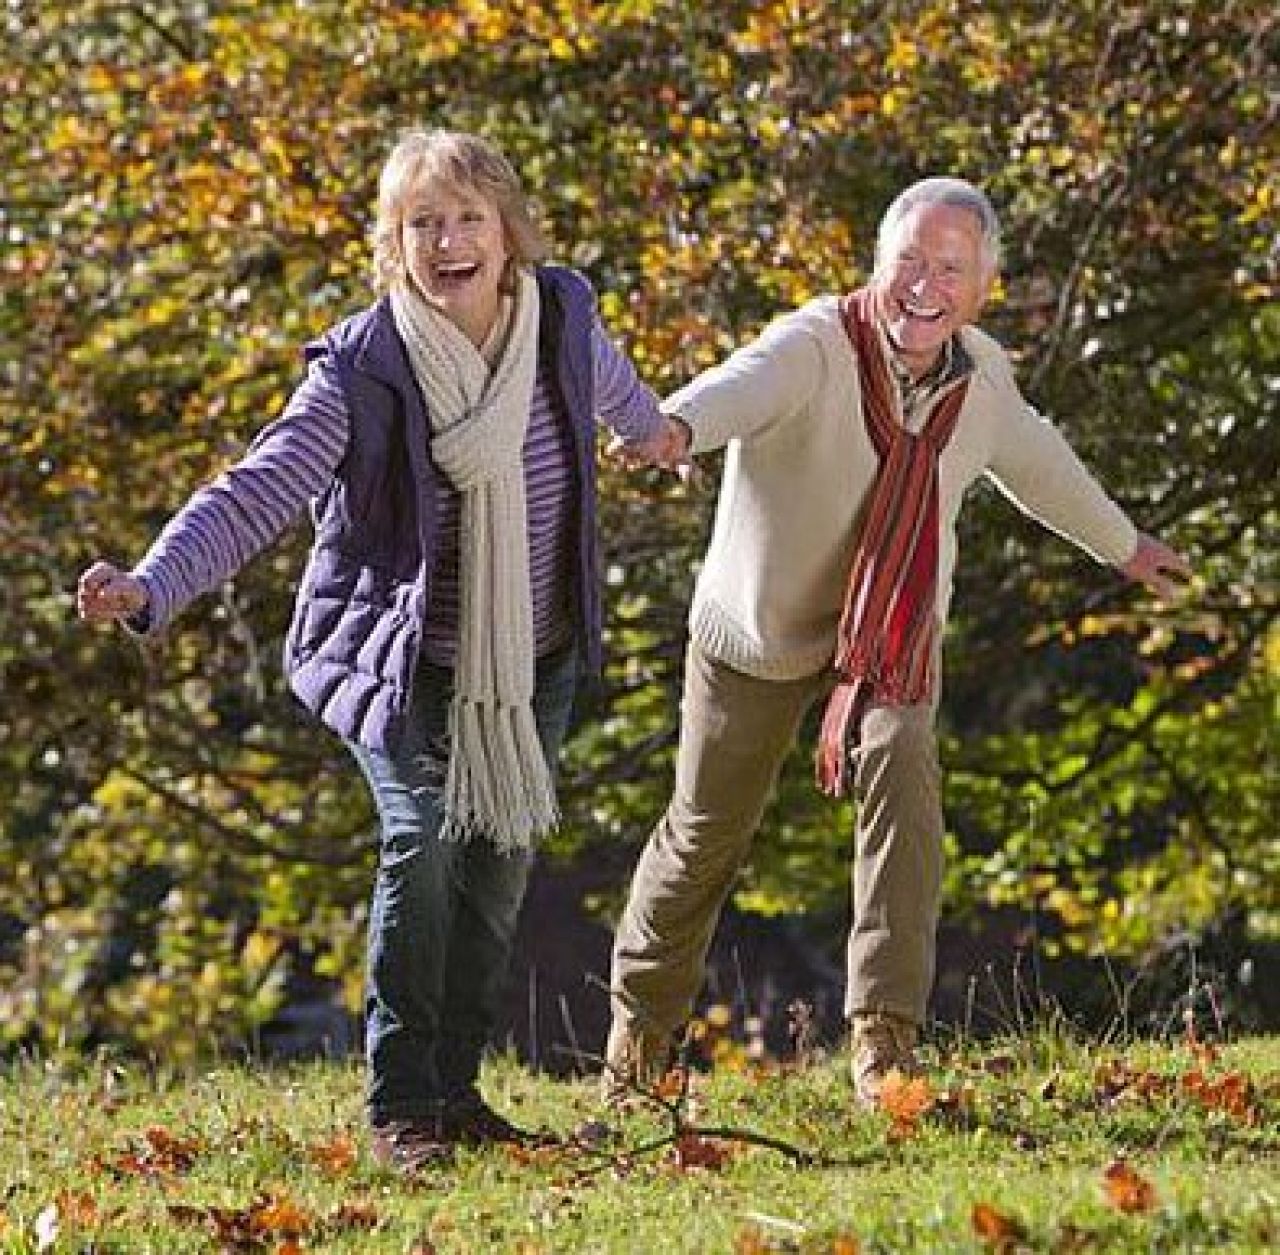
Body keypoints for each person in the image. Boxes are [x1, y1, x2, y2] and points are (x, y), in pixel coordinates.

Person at [77, 127, 684, 1170]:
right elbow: (257, 487)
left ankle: (456, 1094)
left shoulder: (564, 320)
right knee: (425, 842)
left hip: (530, 659)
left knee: (497, 868)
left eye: (466, 219)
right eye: (422, 224)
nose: (447, 241)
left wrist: (663, 436)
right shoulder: (364, 366)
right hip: (398, 662)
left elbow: (624, 403)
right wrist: (150, 584)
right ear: (394, 245)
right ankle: (400, 1106)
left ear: (506, 233)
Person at [603, 176, 1191, 1109]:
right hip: (759, 630)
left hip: (890, 638)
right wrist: (675, 426)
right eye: (909, 260)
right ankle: (638, 1043)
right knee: (704, 835)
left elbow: (1042, 465)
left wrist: (1126, 546)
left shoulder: (980, 380)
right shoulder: (816, 345)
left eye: (949, 268)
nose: (925, 284)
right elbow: (741, 384)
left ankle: (884, 1045)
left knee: (906, 772)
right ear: (878, 264)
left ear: (980, 288)